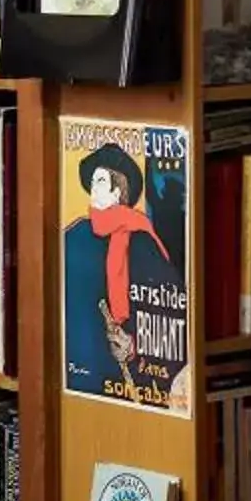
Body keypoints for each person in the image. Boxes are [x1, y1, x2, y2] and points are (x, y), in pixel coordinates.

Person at [60, 139, 182, 408]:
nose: (94, 186)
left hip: (118, 379)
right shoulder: (73, 235)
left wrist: (133, 344)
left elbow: (166, 308)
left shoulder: (141, 241)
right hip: (73, 371)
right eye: (93, 180)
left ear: (118, 191)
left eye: (101, 181)